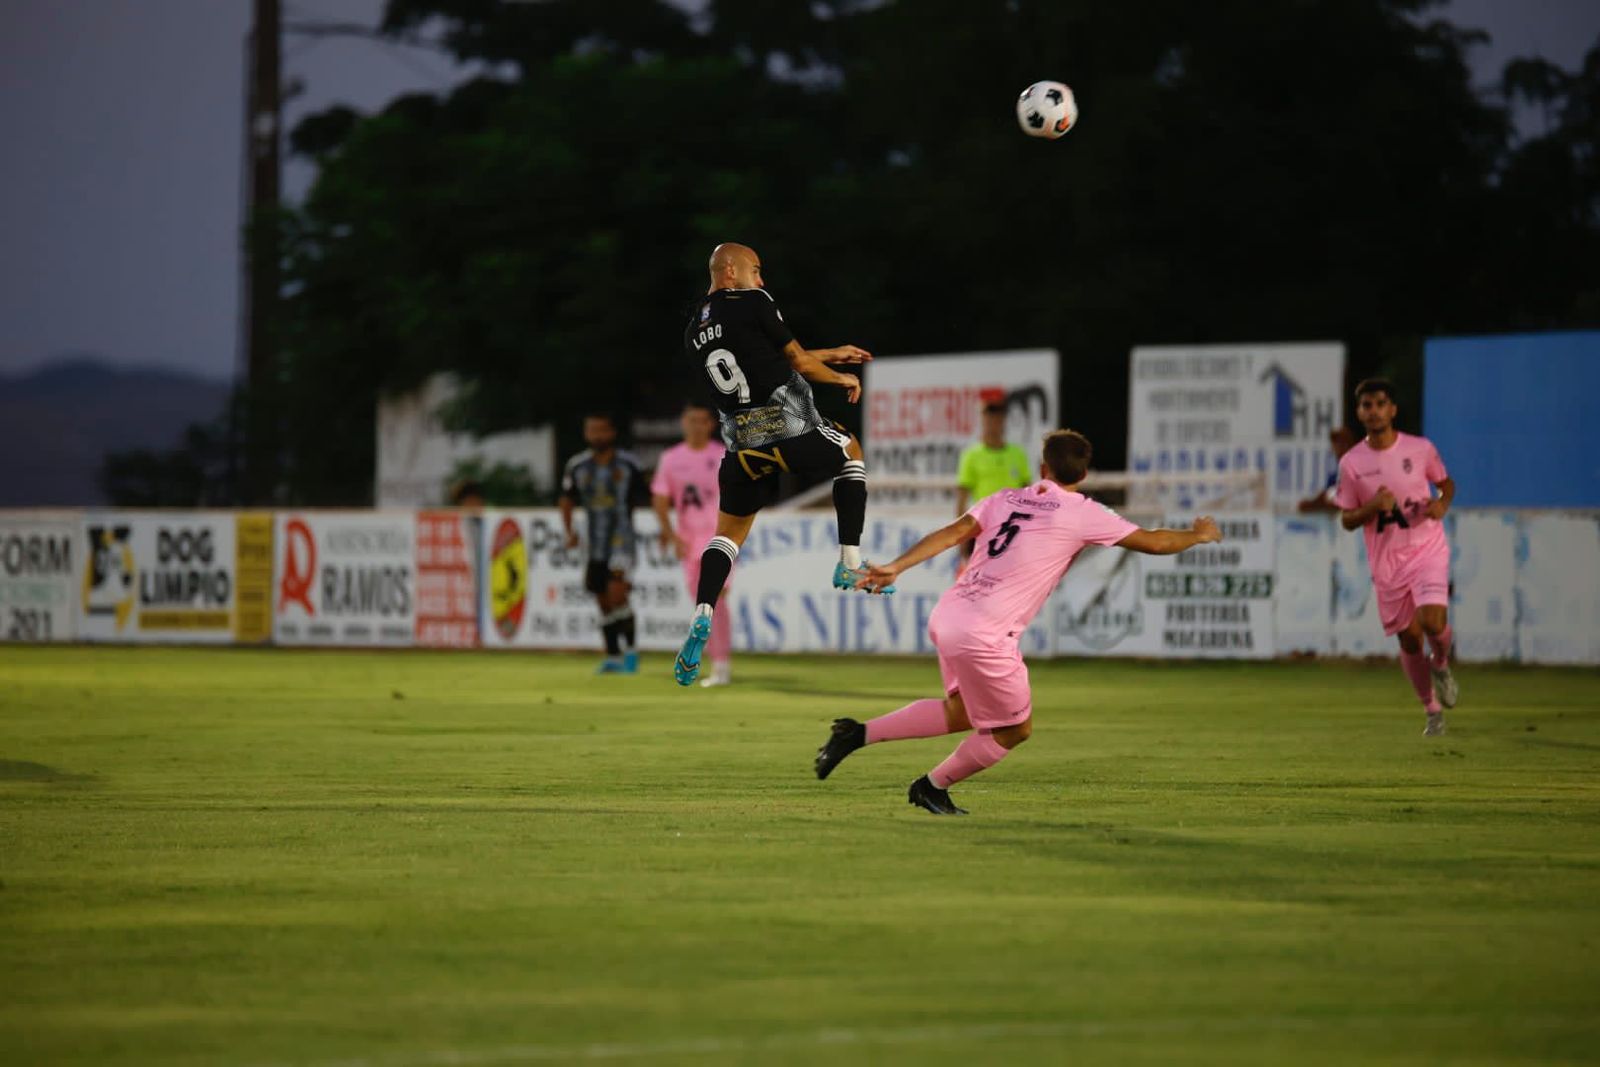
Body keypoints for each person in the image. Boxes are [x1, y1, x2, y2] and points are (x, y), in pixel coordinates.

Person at [815, 429, 1223, 814]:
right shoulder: (1084, 512)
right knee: (1014, 730)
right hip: (985, 632)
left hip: (950, 614)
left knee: (962, 713)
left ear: (1042, 468)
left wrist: (897, 567)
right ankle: (931, 786)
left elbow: (953, 533)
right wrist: (1198, 535)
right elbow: (1155, 542)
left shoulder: (1006, 498)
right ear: (1083, 474)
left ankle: (856, 733)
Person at [674, 241, 880, 686]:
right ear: (731, 272)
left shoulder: (693, 330)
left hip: (743, 448)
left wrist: (828, 353)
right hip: (790, 429)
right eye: (756, 270)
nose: (761, 279)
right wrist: (839, 376)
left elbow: (757, 362)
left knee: (727, 536)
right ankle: (850, 560)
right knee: (850, 450)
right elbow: (795, 361)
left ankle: (703, 610)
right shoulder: (753, 300)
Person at [1333, 378, 1459, 735]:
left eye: (1380, 404)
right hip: (1387, 562)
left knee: (1432, 621)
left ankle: (1441, 662)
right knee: (1409, 640)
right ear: (1360, 413)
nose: (1373, 411)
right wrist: (1373, 505)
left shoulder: (1420, 449)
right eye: (1366, 405)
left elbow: (1446, 483)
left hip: (1426, 547)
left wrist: (1441, 504)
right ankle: (1431, 709)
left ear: (1392, 409)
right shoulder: (1352, 463)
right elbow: (1347, 519)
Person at [560, 412, 649, 674]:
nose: (597, 435)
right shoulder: (577, 466)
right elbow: (566, 499)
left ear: (612, 432)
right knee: (602, 598)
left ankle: (631, 652)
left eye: (601, 430)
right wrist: (569, 531)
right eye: (592, 430)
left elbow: (648, 495)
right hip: (593, 542)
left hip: (622, 540)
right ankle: (613, 654)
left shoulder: (629, 464)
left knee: (617, 592)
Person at [652, 401, 734, 687]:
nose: (697, 426)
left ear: (711, 424)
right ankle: (717, 662)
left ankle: (720, 665)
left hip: (721, 537)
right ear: (683, 422)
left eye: (702, 420)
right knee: (702, 606)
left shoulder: (723, 454)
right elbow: (660, 498)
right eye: (692, 420)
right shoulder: (671, 459)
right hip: (689, 542)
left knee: (716, 599)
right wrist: (671, 535)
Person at [955, 399, 1034, 563]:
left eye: (997, 419)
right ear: (983, 420)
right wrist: (960, 535)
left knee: (1011, 572)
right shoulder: (972, 455)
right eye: (989, 419)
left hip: (1012, 526)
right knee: (980, 572)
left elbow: (1029, 494)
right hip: (983, 526)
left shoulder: (1017, 454)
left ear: (1003, 421)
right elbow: (962, 498)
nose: (993, 424)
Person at [1296, 426, 1358, 513]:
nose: (1337, 448)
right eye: (1335, 444)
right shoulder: (1334, 477)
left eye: (1342, 444)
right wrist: (1311, 504)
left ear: (1350, 446)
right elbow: (1324, 498)